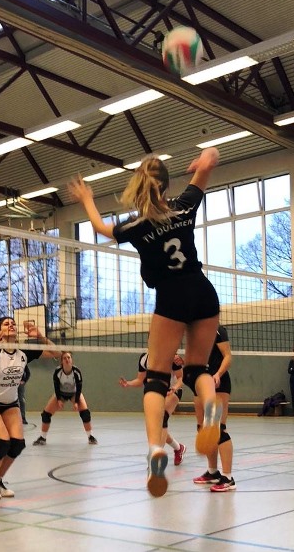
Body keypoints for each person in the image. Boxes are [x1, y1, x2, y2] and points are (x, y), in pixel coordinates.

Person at [69, 147, 222, 498]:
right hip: (203, 291)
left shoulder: (136, 226)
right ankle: (211, 408)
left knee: (156, 376)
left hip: (170, 297)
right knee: (197, 369)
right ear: (166, 185)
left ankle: (156, 449)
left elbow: (99, 228)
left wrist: (87, 199)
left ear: (138, 185)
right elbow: (213, 156)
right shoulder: (184, 205)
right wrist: (201, 162)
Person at [0, 317, 60, 500]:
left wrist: (40, 336)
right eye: (6, 324)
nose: (11, 325)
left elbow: (57, 353)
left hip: (10, 403)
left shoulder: (24, 352)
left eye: (13, 323)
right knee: (3, 442)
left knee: (18, 444)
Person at [119, 352, 186, 465]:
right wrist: (128, 383)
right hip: (155, 392)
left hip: (172, 391)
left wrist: (175, 387)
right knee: (156, 425)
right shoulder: (144, 358)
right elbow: (140, 380)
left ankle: (156, 456)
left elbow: (180, 377)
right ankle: (178, 447)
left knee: (162, 418)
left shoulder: (171, 356)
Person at [193, 325, 235, 492]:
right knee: (204, 429)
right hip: (200, 382)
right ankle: (212, 472)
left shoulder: (217, 330)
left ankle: (228, 478)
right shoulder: (194, 330)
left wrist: (218, 374)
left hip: (218, 382)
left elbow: (227, 356)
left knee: (219, 429)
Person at [33, 351, 98, 447]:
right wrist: (59, 400)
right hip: (61, 393)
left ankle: (90, 437)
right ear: (62, 361)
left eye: (69, 357)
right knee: (46, 415)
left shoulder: (76, 372)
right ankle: (42, 438)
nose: (67, 360)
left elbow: (79, 388)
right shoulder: (58, 371)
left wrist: (76, 402)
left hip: (74, 393)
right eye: (64, 358)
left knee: (85, 413)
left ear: (72, 360)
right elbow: (56, 386)